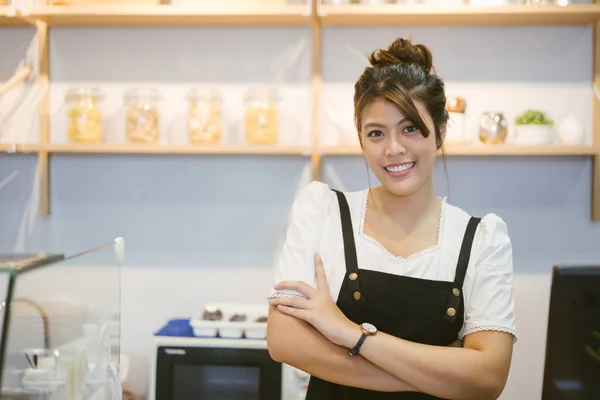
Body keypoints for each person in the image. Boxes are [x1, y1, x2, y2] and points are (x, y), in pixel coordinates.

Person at [266, 37, 517, 400]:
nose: (394, 148)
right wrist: (436, 374)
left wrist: (352, 334)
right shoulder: (322, 212)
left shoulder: (482, 239)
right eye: (376, 133)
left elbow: (489, 377)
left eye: (410, 127)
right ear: (361, 140)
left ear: (441, 131)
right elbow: (284, 342)